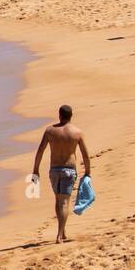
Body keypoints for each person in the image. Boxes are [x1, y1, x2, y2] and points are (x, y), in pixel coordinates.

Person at [31, 104, 91, 243]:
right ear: (71, 116)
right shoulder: (77, 132)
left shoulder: (50, 131)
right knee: (64, 202)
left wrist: (35, 170)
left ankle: (62, 232)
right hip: (69, 171)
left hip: (54, 171)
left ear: (59, 115)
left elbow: (40, 151)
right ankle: (59, 234)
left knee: (58, 201)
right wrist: (88, 172)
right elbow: (85, 155)